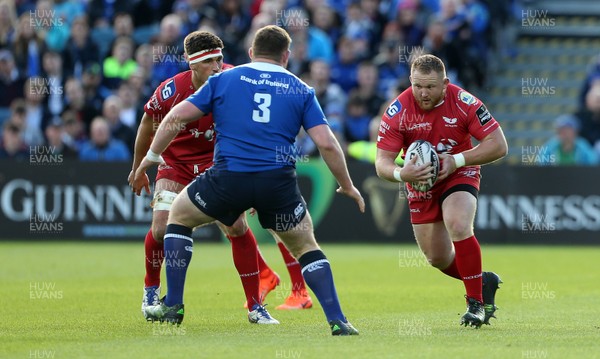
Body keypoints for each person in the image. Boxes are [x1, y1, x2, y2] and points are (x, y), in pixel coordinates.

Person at [134, 25, 365, 335]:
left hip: (229, 179)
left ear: (251, 53)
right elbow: (326, 143)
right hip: (278, 184)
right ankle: (338, 321)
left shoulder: (225, 79)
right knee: (307, 246)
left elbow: (174, 117)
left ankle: (173, 303)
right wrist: (347, 185)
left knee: (177, 218)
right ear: (286, 56)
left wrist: (150, 158)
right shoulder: (300, 89)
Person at [375, 54, 507, 328]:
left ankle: (475, 305)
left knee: (458, 224)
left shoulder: (463, 102)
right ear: (411, 81)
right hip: (419, 181)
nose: (423, 93)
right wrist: (402, 173)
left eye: (431, 87)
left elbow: (498, 144)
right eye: (418, 86)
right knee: (437, 257)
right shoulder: (397, 111)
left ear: (445, 83)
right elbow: (382, 163)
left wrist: (459, 160)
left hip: (458, 170)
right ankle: (482, 281)